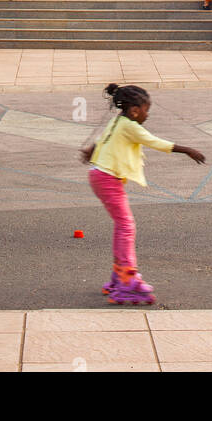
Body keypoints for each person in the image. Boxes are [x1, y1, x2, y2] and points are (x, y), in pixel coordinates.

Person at [80, 83, 205, 305]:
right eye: (146, 110)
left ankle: (119, 276)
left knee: (123, 225)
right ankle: (128, 279)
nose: (147, 115)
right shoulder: (130, 125)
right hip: (107, 178)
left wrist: (93, 149)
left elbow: (105, 138)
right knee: (126, 226)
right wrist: (187, 150)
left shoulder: (119, 120)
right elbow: (154, 142)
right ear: (135, 110)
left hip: (100, 175)